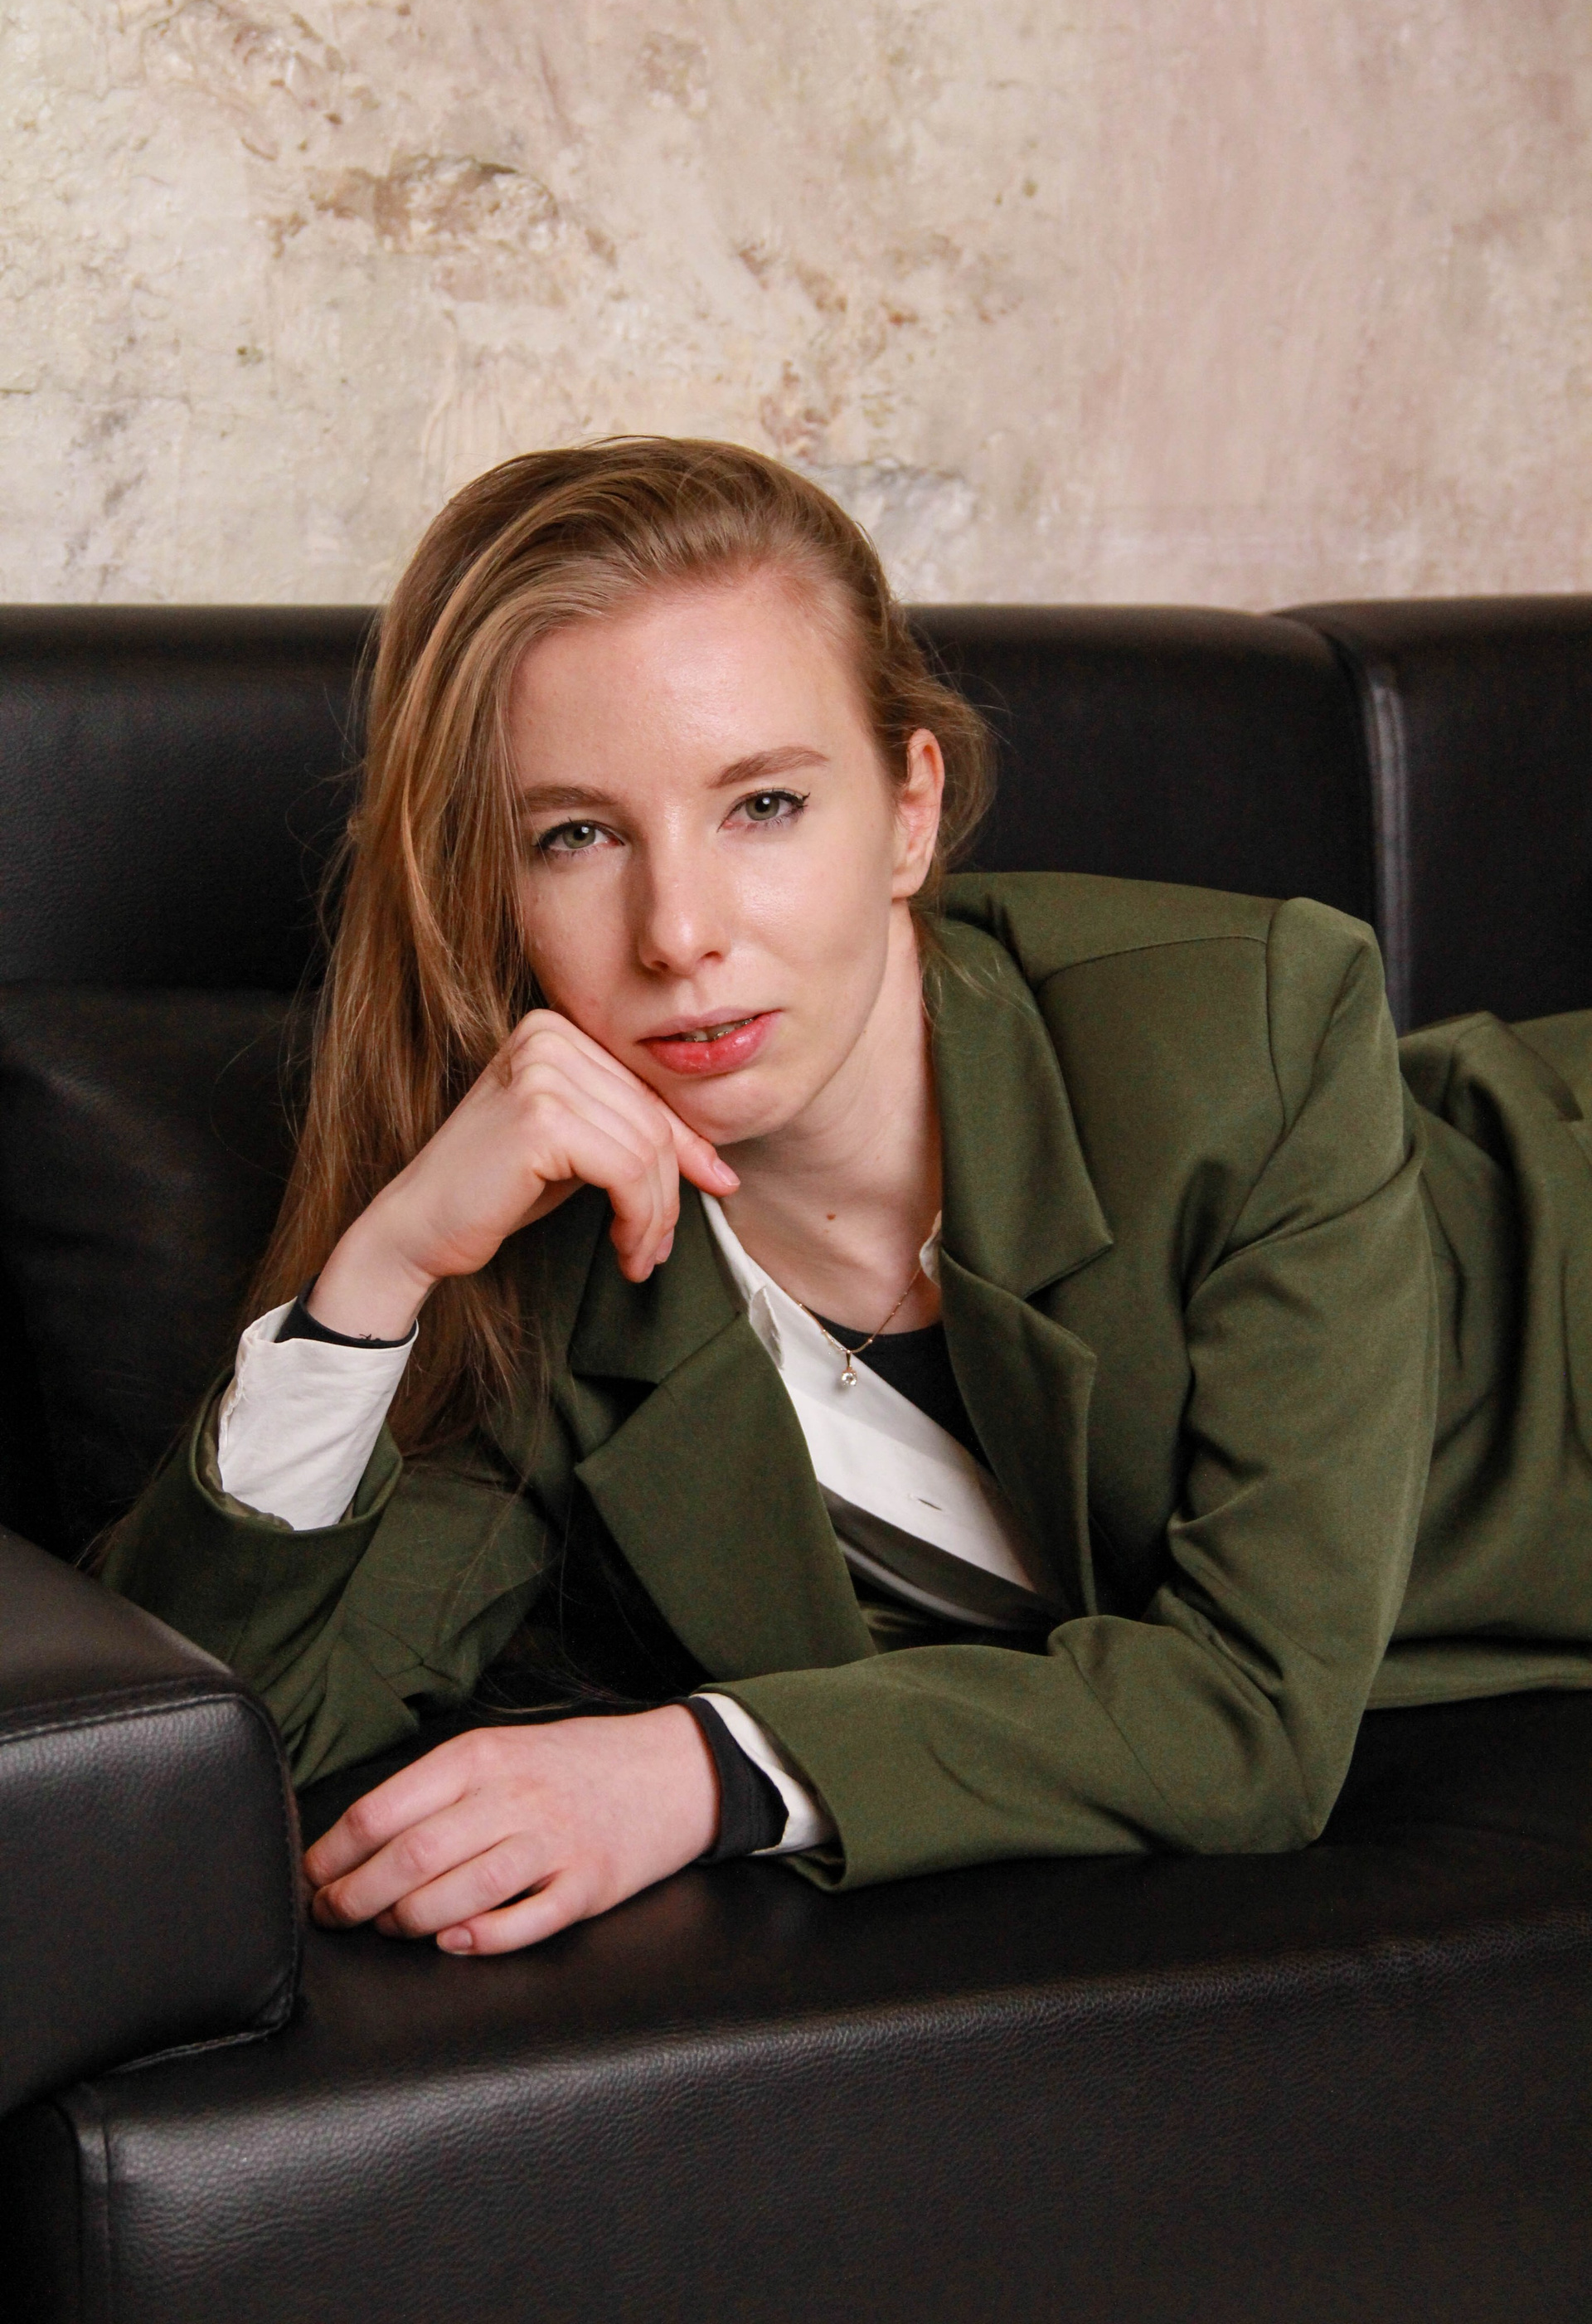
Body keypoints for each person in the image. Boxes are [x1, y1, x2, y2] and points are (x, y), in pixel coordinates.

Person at [106, 438, 1592, 1958]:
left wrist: (704, 1768)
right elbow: (198, 1748)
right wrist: (377, 1274)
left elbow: (1252, 1716)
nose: (680, 932)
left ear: (908, 811)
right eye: (577, 836)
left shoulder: (1251, 1032)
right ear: (499, 891)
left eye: (763, 805)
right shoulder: (556, 1282)